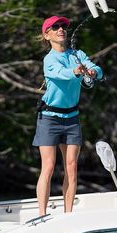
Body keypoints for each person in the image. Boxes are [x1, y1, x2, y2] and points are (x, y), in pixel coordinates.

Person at [33, 15, 103, 215]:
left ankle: (68, 214)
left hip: (72, 118)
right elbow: (61, 74)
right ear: (47, 35)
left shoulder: (77, 53)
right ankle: (41, 215)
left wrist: (93, 73)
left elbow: (96, 68)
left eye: (63, 26)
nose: (61, 29)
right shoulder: (49, 59)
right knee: (48, 166)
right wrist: (76, 71)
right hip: (49, 118)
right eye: (55, 27)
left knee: (71, 166)